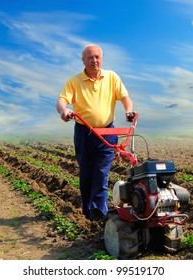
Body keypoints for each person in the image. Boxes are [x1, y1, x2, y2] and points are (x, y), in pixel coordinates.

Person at [56, 44, 134, 221]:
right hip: (85, 133)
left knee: (101, 172)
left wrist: (128, 110)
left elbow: (125, 98)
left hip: (107, 131)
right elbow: (61, 101)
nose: (94, 60)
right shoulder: (74, 81)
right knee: (86, 173)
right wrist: (64, 111)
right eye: (90, 57)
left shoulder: (112, 77)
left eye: (97, 56)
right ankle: (87, 210)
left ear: (102, 58)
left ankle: (99, 211)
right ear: (83, 60)